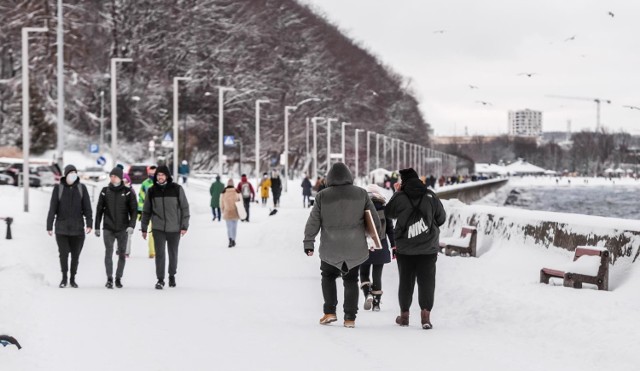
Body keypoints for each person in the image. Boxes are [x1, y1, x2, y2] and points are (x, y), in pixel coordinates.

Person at [303, 162, 381, 328]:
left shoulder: (322, 196)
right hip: (355, 247)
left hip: (330, 247)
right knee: (352, 280)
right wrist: (376, 239)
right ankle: (350, 318)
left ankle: (330, 312)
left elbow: (313, 222)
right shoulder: (361, 193)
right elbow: (374, 220)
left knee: (328, 276)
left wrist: (308, 243)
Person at [385, 168, 446, 330]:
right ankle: (425, 316)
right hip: (428, 248)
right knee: (427, 282)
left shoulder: (400, 196)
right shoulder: (430, 195)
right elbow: (441, 218)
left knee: (405, 281)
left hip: (405, 248)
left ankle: (404, 316)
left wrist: (397, 192)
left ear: (403, 182)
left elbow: (389, 213)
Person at [140, 165, 190, 290]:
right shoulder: (152, 191)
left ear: (167, 176)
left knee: (173, 254)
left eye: (162, 175)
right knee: (160, 254)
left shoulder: (177, 189)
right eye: (158, 175)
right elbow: (146, 210)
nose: (160, 177)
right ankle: (160, 279)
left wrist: (184, 226)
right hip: (158, 228)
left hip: (174, 228)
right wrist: (144, 227)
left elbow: (185, 208)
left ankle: (172, 275)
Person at [46, 164, 93, 288]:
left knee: (75, 256)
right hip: (61, 229)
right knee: (63, 254)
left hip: (78, 230)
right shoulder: (58, 189)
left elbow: (87, 208)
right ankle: (64, 278)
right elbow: (53, 208)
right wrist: (49, 225)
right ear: (65, 174)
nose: (73, 174)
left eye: (75, 172)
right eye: (70, 172)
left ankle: (72, 278)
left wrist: (89, 223)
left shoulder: (82, 188)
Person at [94, 167, 137, 289]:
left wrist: (131, 225)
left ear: (120, 178)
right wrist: (97, 226)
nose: (112, 178)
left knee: (122, 254)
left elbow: (134, 211)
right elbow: (99, 210)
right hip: (108, 227)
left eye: (115, 176)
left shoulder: (128, 192)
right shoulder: (105, 191)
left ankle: (118, 278)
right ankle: (109, 278)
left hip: (123, 228)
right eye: (111, 176)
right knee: (108, 252)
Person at [359, 184, 395, 312]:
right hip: (381, 245)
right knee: (377, 275)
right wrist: (394, 246)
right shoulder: (385, 210)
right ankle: (376, 303)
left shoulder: (361, 208)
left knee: (363, 272)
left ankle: (367, 293)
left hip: (365, 245)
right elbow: (390, 230)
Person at [138, 165, 157, 258]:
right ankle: (152, 252)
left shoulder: (161, 183)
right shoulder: (145, 184)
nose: (152, 175)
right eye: (150, 173)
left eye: (154, 173)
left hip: (159, 212)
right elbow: (141, 198)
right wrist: (141, 212)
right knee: (151, 232)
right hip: (149, 211)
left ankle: (158, 250)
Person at [220, 179, 241, 247]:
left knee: (229, 227)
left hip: (227, 212)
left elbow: (221, 203)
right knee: (234, 227)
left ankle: (230, 240)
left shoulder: (224, 192)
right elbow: (240, 201)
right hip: (235, 212)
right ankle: (233, 240)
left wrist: (223, 210)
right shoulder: (237, 191)